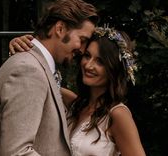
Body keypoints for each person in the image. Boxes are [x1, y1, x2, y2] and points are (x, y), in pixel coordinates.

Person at [0, 0, 98, 156]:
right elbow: (17, 152)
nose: (82, 50)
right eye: (82, 39)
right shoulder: (28, 71)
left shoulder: (36, 66)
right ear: (59, 29)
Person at [9, 25, 147, 156]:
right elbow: (37, 78)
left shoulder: (118, 115)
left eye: (100, 62)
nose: (88, 65)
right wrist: (25, 47)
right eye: (87, 56)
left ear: (113, 69)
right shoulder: (75, 104)